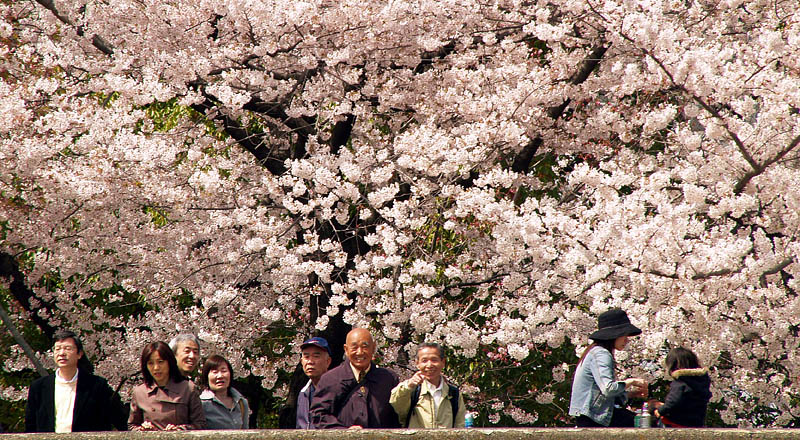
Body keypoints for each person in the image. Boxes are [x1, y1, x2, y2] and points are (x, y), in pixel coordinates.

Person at [24, 330, 127, 432]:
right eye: (57, 349)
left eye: (67, 348)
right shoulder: (39, 387)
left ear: (79, 354)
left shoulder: (97, 385)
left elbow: (118, 419)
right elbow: (30, 426)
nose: (61, 353)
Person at [569, 309, 648, 427]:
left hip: (588, 415)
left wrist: (632, 394)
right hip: (594, 417)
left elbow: (604, 394)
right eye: (624, 335)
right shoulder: (601, 354)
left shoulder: (594, 351)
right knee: (645, 424)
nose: (626, 340)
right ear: (614, 335)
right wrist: (631, 381)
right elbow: (608, 389)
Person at [310, 328, 400, 429]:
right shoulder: (330, 379)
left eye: (365, 346)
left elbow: (398, 416)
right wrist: (344, 432)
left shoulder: (388, 379)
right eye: (354, 347)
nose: (360, 352)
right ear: (346, 350)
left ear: (373, 348)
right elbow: (319, 415)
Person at [128, 341, 206, 431]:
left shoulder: (187, 388)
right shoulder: (140, 392)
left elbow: (200, 424)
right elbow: (132, 426)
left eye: (160, 362)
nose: (156, 368)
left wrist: (180, 430)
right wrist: (142, 429)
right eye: (150, 363)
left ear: (169, 362)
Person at [390, 342, 466, 428]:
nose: (429, 365)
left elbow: (460, 425)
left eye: (434, 360)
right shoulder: (412, 390)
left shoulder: (453, 394)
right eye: (424, 361)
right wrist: (409, 386)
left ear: (443, 362)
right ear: (417, 363)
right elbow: (396, 403)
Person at [650, 347, 712, 427]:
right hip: (696, 423)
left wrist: (661, 410)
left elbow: (674, 401)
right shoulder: (702, 381)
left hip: (677, 422)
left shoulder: (681, 381)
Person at [199, 354, 250, 429]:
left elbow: (245, 432)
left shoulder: (241, 403)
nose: (220, 376)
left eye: (224, 371)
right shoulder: (201, 404)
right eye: (215, 372)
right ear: (206, 377)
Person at [296, 336, 332, 429]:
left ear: (328, 362)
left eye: (316, 356)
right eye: (306, 357)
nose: (310, 361)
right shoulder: (303, 393)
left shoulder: (337, 390)